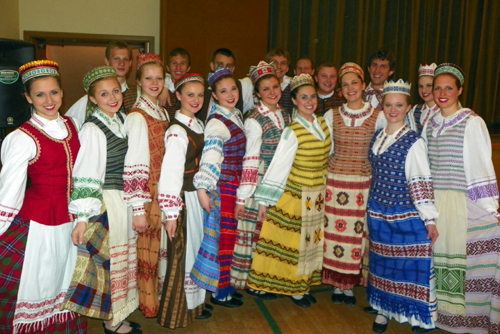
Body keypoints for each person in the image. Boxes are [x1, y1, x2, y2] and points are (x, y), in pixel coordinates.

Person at [0, 60, 86, 333]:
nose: (49, 100)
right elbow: (9, 192)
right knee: (38, 285)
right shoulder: (21, 138)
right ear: (28, 97)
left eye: (54, 92)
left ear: (62, 92)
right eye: (40, 94)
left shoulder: (72, 125)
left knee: (64, 286)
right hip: (38, 228)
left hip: (71, 225)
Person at [61, 66, 140, 334]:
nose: (112, 97)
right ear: (92, 99)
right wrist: (83, 217)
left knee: (121, 259)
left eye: (115, 91)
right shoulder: (93, 129)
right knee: (109, 263)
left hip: (122, 198)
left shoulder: (119, 120)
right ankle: (111, 321)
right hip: (106, 200)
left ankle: (118, 314)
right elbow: (87, 174)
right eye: (104, 94)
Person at [423, 63, 500, 334]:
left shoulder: (472, 121)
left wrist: (490, 206)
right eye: (437, 88)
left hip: (459, 199)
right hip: (436, 202)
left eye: (449, 88)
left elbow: (481, 164)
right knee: (437, 256)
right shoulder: (431, 123)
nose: (442, 93)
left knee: (466, 256)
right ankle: (438, 315)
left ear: (460, 90)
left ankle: (469, 319)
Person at [247, 74, 333, 308]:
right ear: (294, 101)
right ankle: (295, 290)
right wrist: (265, 201)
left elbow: (329, 157)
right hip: (295, 194)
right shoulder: (292, 131)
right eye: (303, 97)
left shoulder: (324, 123)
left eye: (312, 96)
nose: (309, 101)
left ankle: (302, 285)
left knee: (309, 244)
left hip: (317, 195)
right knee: (292, 245)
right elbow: (278, 167)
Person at [366, 79, 439, 334]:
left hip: (405, 216)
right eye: (388, 104)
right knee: (383, 266)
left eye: (399, 105)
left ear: (408, 107)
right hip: (378, 214)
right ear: (382, 106)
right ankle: (384, 310)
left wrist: (429, 219)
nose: (393, 109)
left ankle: (419, 317)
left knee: (411, 268)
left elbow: (420, 182)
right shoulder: (378, 136)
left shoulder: (413, 141)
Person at [323, 62, 386, 306]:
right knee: (335, 235)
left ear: (363, 86)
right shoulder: (332, 115)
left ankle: (349, 285)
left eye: (355, 83)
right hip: (335, 183)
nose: (350, 88)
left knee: (356, 237)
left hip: (362, 185)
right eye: (345, 84)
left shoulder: (378, 116)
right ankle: (338, 284)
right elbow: (327, 149)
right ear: (341, 89)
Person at [230, 61, 291, 297]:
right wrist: (243, 197)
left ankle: (269, 276)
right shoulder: (254, 119)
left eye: (275, 87)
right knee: (257, 230)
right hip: (261, 179)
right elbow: (251, 158)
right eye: (266, 89)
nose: (273, 92)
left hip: (282, 178)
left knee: (273, 232)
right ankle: (255, 281)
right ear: (257, 94)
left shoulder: (284, 113)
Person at [157, 73, 211, 328]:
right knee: (185, 255)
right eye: (190, 94)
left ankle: (196, 303)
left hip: (196, 197)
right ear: (177, 95)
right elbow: (171, 173)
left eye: (200, 95)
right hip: (184, 199)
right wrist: (171, 213)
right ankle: (180, 310)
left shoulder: (197, 124)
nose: (196, 99)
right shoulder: (178, 131)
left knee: (197, 250)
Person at [190, 67, 246, 308]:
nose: (230, 94)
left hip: (234, 184)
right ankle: (220, 292)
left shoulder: (235, 115)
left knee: (231, 237)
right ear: (214, 95)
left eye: (233, 88)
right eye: (224, 91)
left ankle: (227, 285)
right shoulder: (216, 123)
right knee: (222, 240)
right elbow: (211, 157)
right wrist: (203, 188)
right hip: (223, 187)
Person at [123, 53, 170, 318]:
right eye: (148, 78)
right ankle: (147, 304)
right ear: (138, 82)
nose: (154, 82)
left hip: (162, 191)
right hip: (148, 193)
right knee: (147, 254)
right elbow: (135, 162)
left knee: (157, 252)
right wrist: (138, 209)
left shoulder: (160, 110)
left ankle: (158, 302)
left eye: (159, 78)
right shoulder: (138, 116)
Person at [66, 40, 137, 124]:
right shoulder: (88, 100)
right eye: (116, 59)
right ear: (107, 61)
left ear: (130, 63)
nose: (121, 63)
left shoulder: (138, 95)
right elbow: (66, 126)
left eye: (125, 59)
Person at [197, 48, 254, 122]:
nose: (223, 69)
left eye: (228, 66)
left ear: (233, 69)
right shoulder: (201, 88)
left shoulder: (240, 87)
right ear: (212, 66)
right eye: (220, 65)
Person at [157, 47, 191, 120]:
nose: (178, 67)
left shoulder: (193, 92)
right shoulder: (159, 90)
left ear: (188, 68)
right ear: (168, 68)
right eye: (174, 63)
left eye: (182, 63)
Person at [406, 63, 439, 135]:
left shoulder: (443, 111)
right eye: (421, 86)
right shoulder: (415, 109)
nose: (424, 90)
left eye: (429, 85)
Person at [266, 48, 293, 116]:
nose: (278, 67)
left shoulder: (293, 86)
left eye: (283, 63)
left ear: (287, 68)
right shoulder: (260, 87)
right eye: (275, 63)